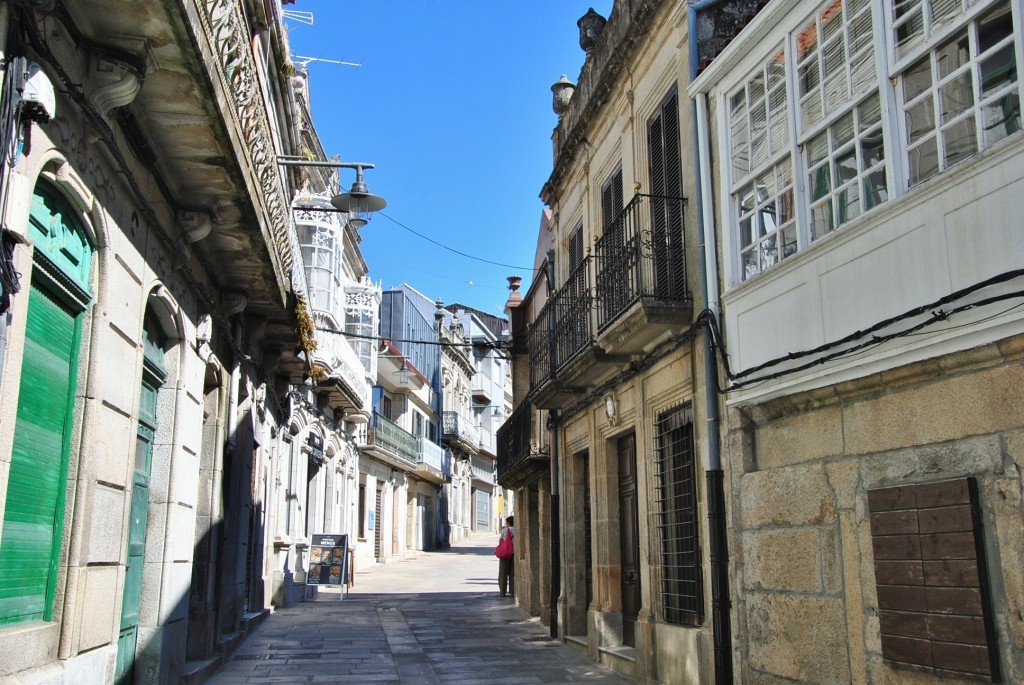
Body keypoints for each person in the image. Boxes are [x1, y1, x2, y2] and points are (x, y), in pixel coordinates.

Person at [498, 515, 515, 597]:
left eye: (506, 522)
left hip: (505, 553)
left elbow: (501, 541)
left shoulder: (505, 530)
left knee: (503, 572)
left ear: (508, 522)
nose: (506, 524)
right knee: (512, 573)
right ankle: (512, 591)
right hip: (514, 553)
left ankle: (503, 591)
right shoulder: (516, 530)